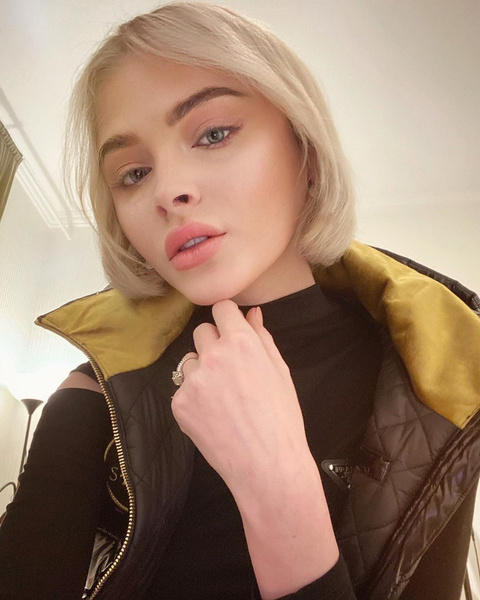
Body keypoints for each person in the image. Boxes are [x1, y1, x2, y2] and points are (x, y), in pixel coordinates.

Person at [0, 3, 479, 600]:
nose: (170, 191)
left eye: (213, 134)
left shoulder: (439, 393)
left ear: (305, 149)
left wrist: (276, 487)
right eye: (133, 173)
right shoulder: (96, 389)